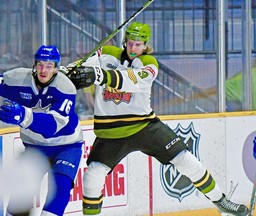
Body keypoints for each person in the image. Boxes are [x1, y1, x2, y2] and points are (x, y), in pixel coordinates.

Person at [66, 22, 250, 215]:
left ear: (145, 45)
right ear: (125, 41)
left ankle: (222, 203)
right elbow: (82, 66)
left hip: (145, 126)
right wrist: (66, 72)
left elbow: (132, 80)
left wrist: (99, 75)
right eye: (130, 43)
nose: (133, 48)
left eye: (138, 44)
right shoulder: (106, 53)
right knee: (93, 176)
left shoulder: (149, 64)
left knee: (187, 161)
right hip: (110, 131)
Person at [0, 45, 84, 216]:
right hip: (34, 147)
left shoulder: (66, 88)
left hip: (67, 146)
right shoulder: (18, 78)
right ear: (34, 65)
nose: (43, 70)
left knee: (61, 187)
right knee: (20, 195)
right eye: (40, 64)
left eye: (49, 66)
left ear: (56, 68)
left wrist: (24, 115)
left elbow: (52, 127)